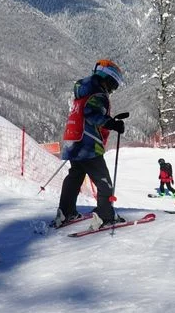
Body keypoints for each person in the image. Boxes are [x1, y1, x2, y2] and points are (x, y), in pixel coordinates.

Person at [53, 59, 126, 230]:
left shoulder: (83, 92)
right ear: (107, 80)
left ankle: (66, 211)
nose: (112, 90)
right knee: (104, 182)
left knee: (75, 176)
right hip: (88, 145)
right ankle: (105, 216)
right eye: (113, 85)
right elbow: (91, 113)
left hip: (74, 142)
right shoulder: (97, 94)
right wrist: (112, 123)